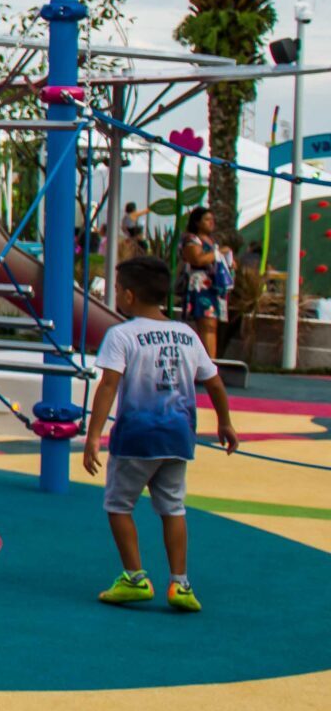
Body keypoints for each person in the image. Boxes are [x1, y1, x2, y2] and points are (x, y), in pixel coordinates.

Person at [84, 255, 240, 611]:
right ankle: (180, 584)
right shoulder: (187, 334)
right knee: (173, 507)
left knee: (118, 504)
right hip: (179, 437)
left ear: (128, 294)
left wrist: (93, 436)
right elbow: (213, 382)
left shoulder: (121, 335)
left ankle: (135, 577)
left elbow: (108, 385)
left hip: (136, 437)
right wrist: (225, 421)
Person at [179, 207, 227, 357]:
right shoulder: (191, 239)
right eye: (207, 219)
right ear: (197, 222)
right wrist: (217, 254)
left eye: (212, 219)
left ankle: (211, 361)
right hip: (201, 285)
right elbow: (197, 259)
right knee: (206, 324)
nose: (211, 223)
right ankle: (209, 363)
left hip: (214, 286)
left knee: (212, 326)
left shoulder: (213, 242)